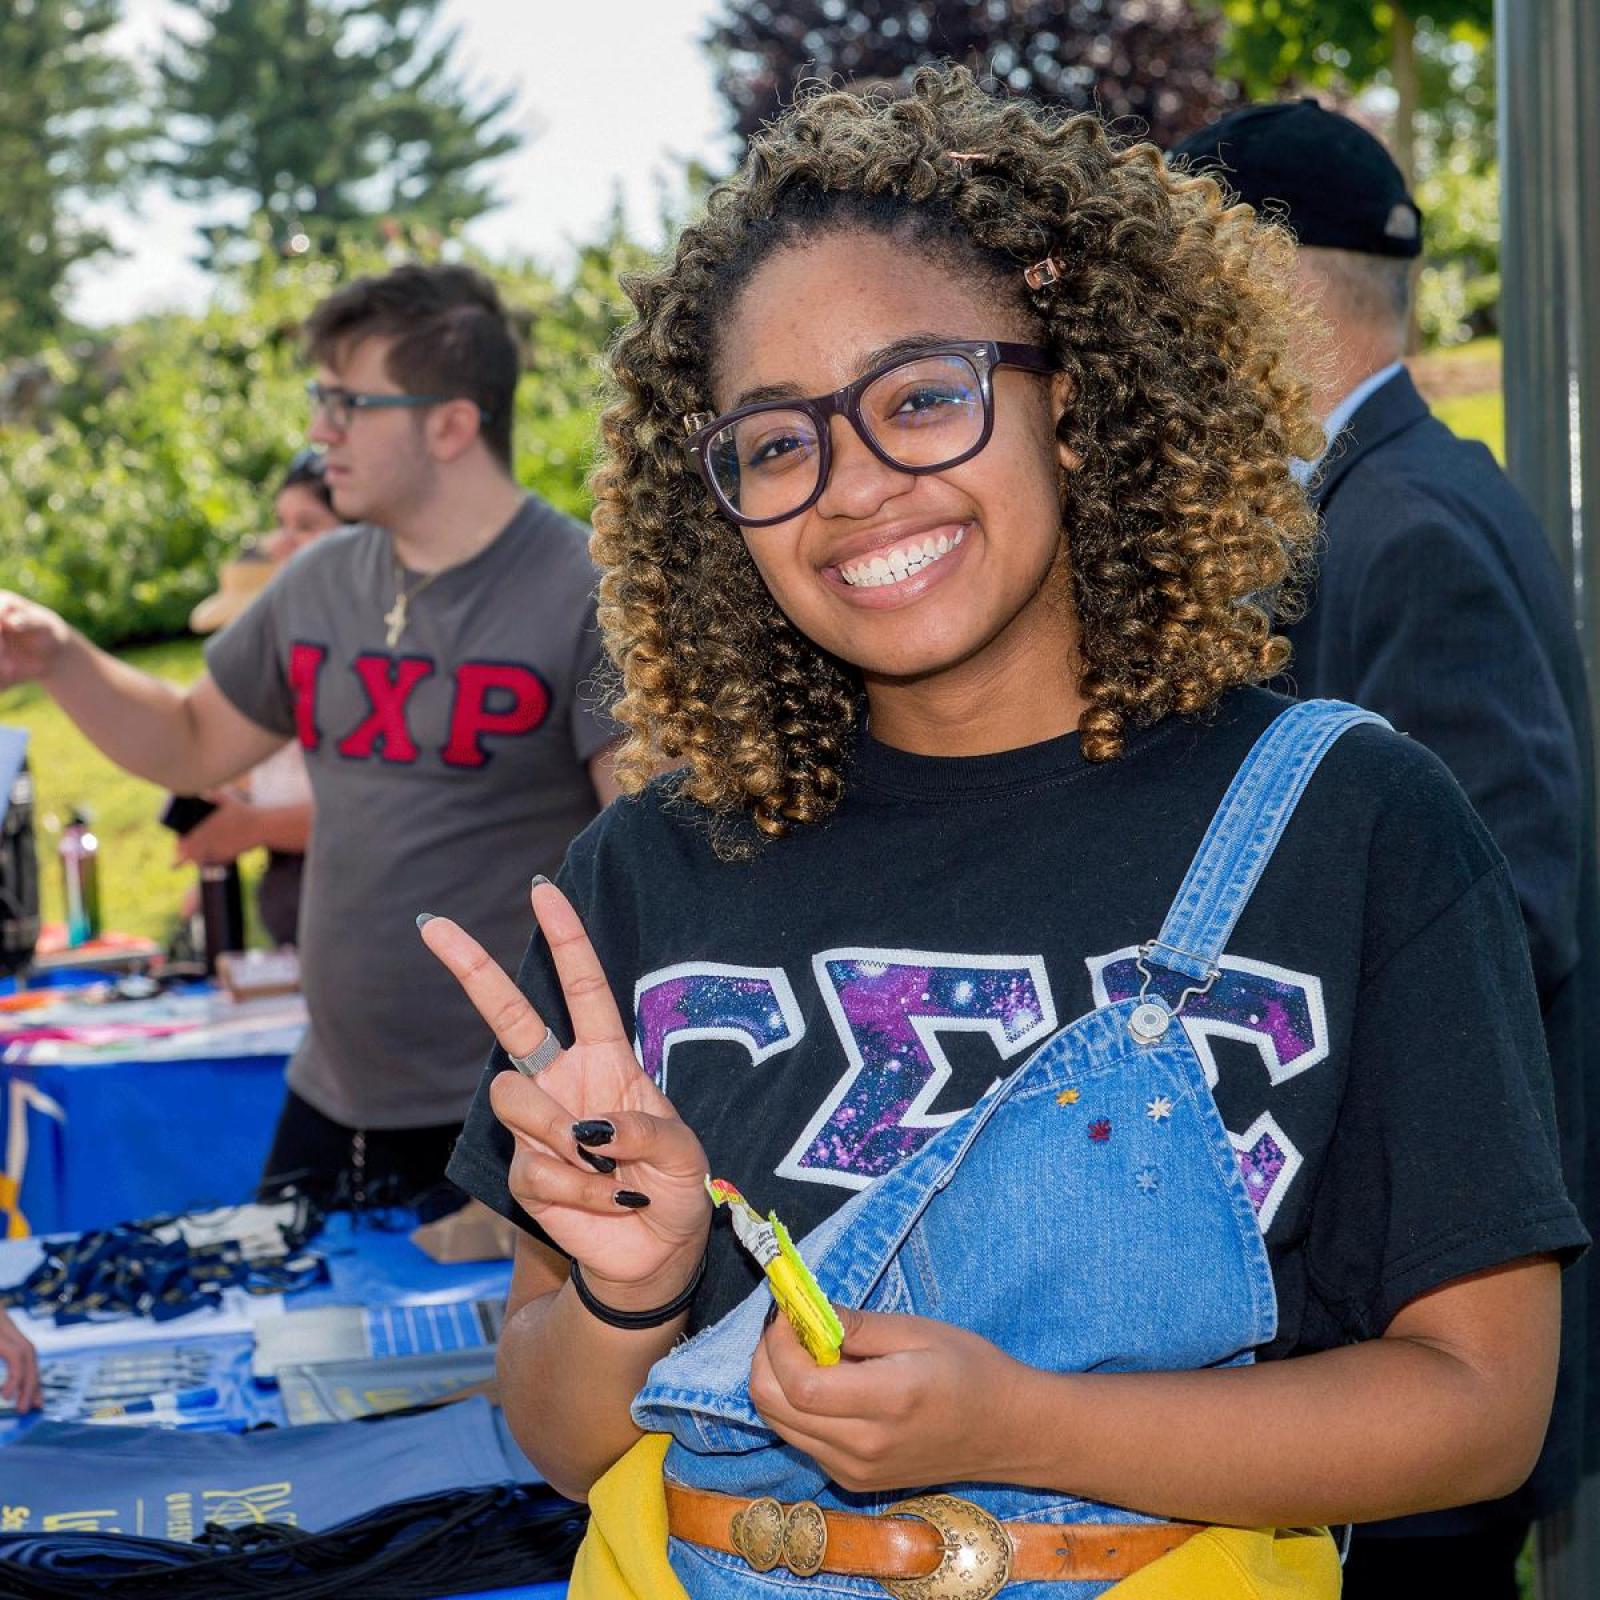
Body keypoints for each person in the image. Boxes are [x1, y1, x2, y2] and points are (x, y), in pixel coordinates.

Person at [423, 69, 1586, 1600]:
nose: (853, 487)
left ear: (1078, 404)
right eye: (776, 443)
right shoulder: (642, 880)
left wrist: (1025, 1424)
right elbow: (569, 1438)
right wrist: (627, 1298)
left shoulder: (1353, 827)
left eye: (923, 397)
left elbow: (1480, 1410)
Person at [1173, 99, 1599, 1599]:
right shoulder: (1392, 499)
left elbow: (1509, 908)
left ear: (1267, 284)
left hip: (1417, 1324)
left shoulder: (1400, 526)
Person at [0, 264, 619, 1209]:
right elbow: (193, 742)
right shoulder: (322, 581)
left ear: (451, 425)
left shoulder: (585, 593)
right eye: (319, 398)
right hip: (328, 1093)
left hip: (511, 1118)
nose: (319, 429)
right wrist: (60, 655)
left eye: (348, 403)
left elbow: (646, 861)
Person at [180, 448, 342, 946]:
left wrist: (253, 826)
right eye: (281, 523)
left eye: (306, 525)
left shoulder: (371, 656)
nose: (279, 545)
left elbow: (375, 808)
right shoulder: (300, 648)